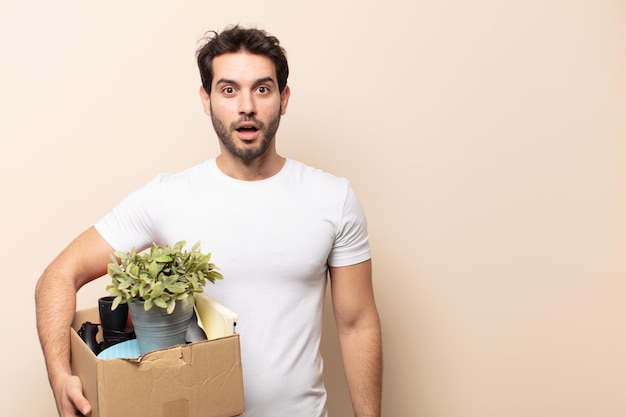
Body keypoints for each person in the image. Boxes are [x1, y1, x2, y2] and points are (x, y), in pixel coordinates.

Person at [35, 25, 382, 417]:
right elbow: (57, 276)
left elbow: (357, 324)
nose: (246, 105)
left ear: (284, 99)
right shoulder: (167, 196)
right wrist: (60, 375)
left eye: (262, 89)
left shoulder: (333, 198)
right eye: (229, 90)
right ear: (207, 99)